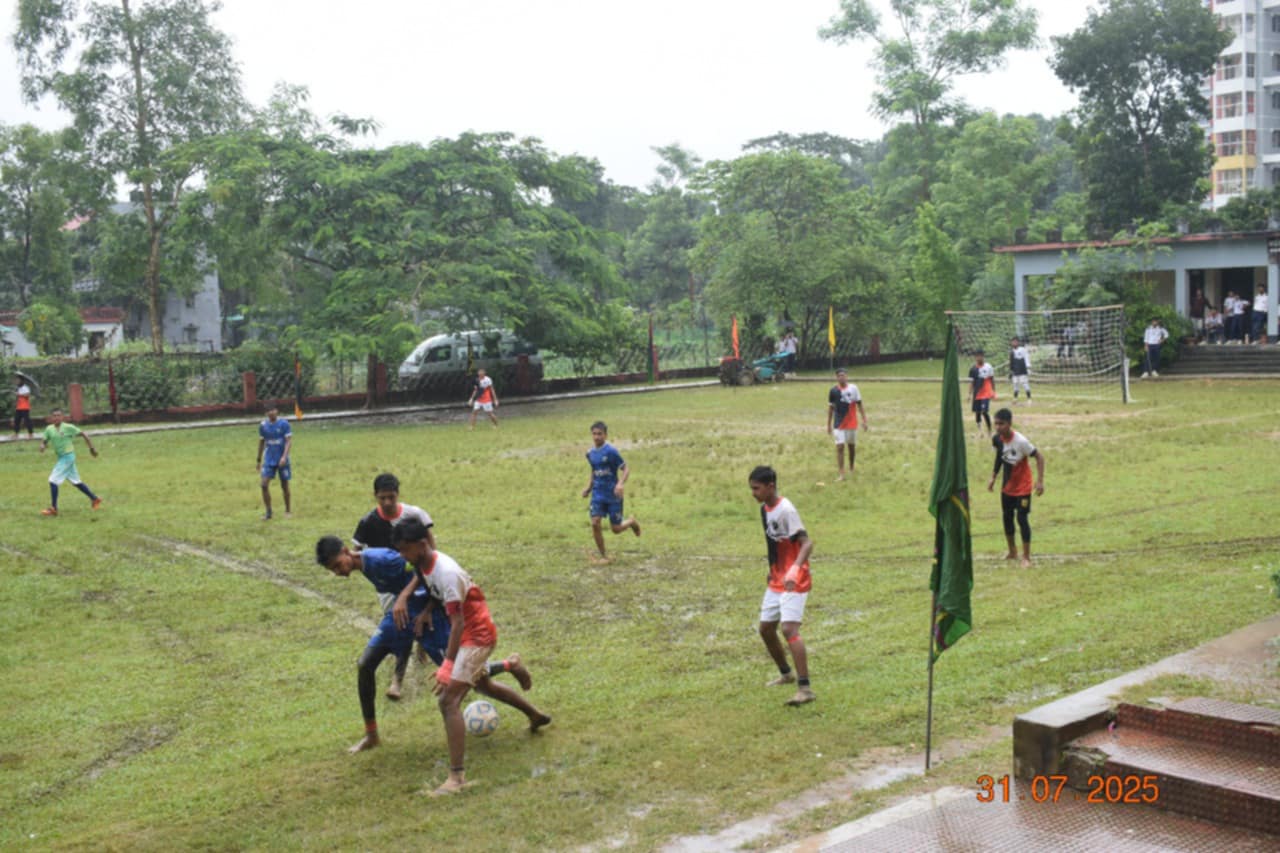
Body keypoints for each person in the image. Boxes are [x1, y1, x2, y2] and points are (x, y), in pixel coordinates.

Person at [315, 536, 532, 756]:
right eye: (332, 569)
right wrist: (402, 601)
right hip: (400, 620)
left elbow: (425, 574)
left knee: (478, 683)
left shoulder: (383, 559)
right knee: (365, 664)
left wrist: (426, 609)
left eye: (337, 565)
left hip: (428, 622)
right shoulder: (364, 565)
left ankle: (514, 674)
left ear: (345, 551)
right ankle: (371, 735)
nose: (337, 572)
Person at [391, 517, 552, 796]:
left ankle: (457, 778)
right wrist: (427, 610)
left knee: (448, 700)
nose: (403, 557)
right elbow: (432, 590)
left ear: (420, 545)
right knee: (482, 685)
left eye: (405, 550)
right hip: (468, 634)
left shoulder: (447, 573)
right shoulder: (423, 562)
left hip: (477, 636)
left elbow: (458, 624)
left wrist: (447, 667)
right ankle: (533, 710)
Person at [352, 472, 437, 700]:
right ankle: (398, 678)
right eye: (382, 498)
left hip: (416, 578)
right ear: (375, 497)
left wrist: (427, 571)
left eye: (391, 497)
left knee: (417, 621)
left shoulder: (415, 514)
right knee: (402, 625)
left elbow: (431, 545)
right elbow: (357, 553)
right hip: (389, 588)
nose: (387, 502)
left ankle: (401, 675)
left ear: (398, 494)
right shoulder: (368, 522)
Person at [749, 466, 815, 707]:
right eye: (752, 488)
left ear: (771, 486)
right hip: (777, 579)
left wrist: (795, 568)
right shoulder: (764, 510)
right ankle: (786, 673)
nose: (753, 493)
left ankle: (805, 688)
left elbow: (806, 544)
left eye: (756, 488)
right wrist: (772, 570)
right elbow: (773, 545)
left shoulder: (786, 510)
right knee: (766, 629)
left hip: (794, 579)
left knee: (789, 629)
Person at [987, 408, 1045, 569]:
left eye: (1001, 424)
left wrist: (1040, 481)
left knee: (1021, 518)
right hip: (1007, 487)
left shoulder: (1021, 441)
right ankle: (1012, 551)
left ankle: (1026, 557)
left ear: (1009, 424)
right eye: (996, 424)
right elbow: (999, 457)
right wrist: (993, 477)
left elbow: (1039, 457)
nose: (998, 427)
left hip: (1023, 487)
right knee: (1007, 517)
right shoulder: (997, 439)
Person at [581, 421, 640, 562]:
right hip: (597, 494)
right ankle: (604, 556)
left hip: (613, 494)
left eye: (599, 434)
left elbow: (625, 469)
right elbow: (594, 471)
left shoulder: (611, 452)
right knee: (595, 523)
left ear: (605, 435)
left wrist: (620, 484)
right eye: (594, 434)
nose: (596, 437)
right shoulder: (590, 454)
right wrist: (588, 488)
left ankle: (631, 521)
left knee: (616, 529)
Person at [39, 408, 102, 516]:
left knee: (53, 480)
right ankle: (94, 499)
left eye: (59, 415)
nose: (56, 417)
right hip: (61, 457)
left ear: (63, 417)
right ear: (51, 418)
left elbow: (83, 434)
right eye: (54, 416)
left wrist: (92, 448)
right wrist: (43, 445)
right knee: (76, 481)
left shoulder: (68, 427)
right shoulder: (49, 429)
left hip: (68, 457)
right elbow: (45, 440)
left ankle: (54, 508)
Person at [825, 368, 868, 482]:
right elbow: (830, 408)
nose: (841, 377)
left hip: (851, 422)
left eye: (843, 375)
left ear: (847, 376)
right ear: (836, 377)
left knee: (851, 447)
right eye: (839, 376)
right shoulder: (833, 391)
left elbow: (860, 404)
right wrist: (828, 424)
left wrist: (864, 419)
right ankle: (841, 473)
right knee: (839, 447)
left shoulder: (854, 388)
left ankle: (852, 467)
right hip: (839, 424)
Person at [256, 406, 292, 520]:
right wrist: (258, 459)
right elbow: (261, 442)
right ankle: (268, 512)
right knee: (264, 485)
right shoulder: (263, 426)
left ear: (277, 411)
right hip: (269, 460)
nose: (271, 413)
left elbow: (288, 441)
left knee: (284, 485)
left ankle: (287, 510)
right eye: (269, 411)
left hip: (281, 459)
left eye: (273, 410)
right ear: (266, 413)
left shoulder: (284, 424)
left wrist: (284, 457)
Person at [968, 351, 995, 437]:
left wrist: (993, 391)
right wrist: (969, 394)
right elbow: (972, 382)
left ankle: (989, 429)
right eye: (977, 356)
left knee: (984, 411)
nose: (978, 358)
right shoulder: (973, 369)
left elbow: (991, 379)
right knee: (977, 412)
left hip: (986, 393)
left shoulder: (988, 367)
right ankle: (980, 431)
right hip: (977, 393)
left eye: (980, 356)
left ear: (983, 357)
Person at [1009, 338, 1032, 404]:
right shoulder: (1011, 351)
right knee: (1015, 385)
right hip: (1015, 371)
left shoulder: (1022, 350)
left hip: (1022, 370)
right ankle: (1015, 399)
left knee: (1024, 384)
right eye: (1013, 342)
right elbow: (1011, 362)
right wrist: (1011, 371)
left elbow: (1026, 358)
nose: (1014, 343)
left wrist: (1028, 368)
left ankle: (1029, 399)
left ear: (1018, 342)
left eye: (1015, 342)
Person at [14, 374, 34, 439]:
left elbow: (27, 395)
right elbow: (18, 397)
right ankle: (16, 434)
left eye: (18, 380)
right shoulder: (18, 388)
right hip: (18, 407)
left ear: (21, 380)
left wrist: (19, 394)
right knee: (16, 420)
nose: (17, 381)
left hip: (25, 407)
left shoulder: (26, 387)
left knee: (27, 421)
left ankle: (30, 434)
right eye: (16, 380)